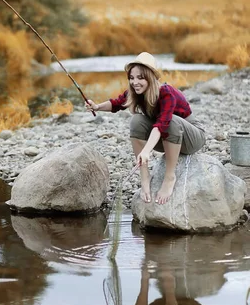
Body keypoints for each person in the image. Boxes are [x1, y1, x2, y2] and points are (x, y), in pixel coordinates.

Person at [85, 52, 206, 204]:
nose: (135, 82)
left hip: (192, 138)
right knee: (136, 121)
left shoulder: (166, 93)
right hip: (168, 137)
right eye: (132, 77)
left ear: (150, 77)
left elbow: (162, 124)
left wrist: (146, 151)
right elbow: (116, 104)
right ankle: (145, 177)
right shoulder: (136, 92)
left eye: (140, 77)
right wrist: (96, 106)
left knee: (172, 121)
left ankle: (170, 177)